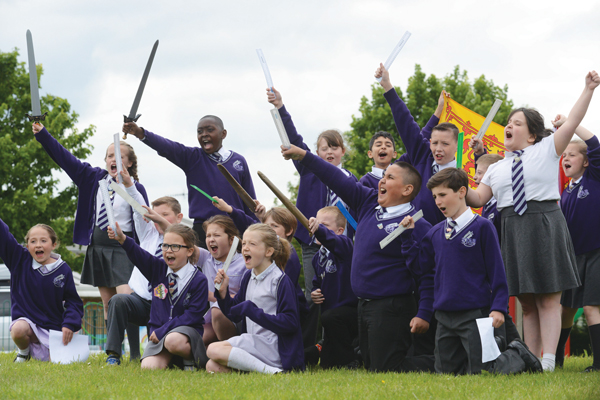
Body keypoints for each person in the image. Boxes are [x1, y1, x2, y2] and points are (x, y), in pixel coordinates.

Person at [464, 71, 600, 371]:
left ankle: (549, 360)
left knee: (549, 298)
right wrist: (458, 180)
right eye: (507, 123)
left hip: (545, 223)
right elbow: (477, 199)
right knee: (527, 302)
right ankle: (531, 358)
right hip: (512, 229)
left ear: (532, 134)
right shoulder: (497, 168)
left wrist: (588, 89)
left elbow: (574, 120)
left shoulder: (547, 149)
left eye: (516, 123)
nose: (508, 126)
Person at [281, 144, 434, 372]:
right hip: (363, 305)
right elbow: (335, 178)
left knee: (387, 368)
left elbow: (427, 276)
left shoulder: (418, 224)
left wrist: (424, 313)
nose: (382, 180)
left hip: (392, 306)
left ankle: (449, 361)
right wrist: (304, 156)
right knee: (372, 366)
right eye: (383, 176)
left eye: (390, 177)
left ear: (406, 189)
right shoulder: (368, 202)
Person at [402, 168, 541, 374]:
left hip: (476, 314)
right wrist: (407, 237)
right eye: (434, 197)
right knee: (446, 375)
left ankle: (518, 355)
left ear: (461, 192)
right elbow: (420, 269)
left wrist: (499, 307)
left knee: (483, 372)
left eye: (442, 195)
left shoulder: (483, 227)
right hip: (444, 316)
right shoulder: (434, 233)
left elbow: (497, 272)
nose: (438, 202)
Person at [33, 123, 149, 321]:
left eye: (120, 156)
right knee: (108, 303)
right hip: (99, 249)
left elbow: (145, 220)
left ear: (129, 163)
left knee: (126, 297)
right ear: (105, 161)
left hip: (124, 249)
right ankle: (113, 350)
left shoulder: (136, 189)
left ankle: (135, 352)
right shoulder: (93, 178)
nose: (114, 159)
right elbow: (65, 159)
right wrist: (44, 136)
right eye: (110, 155)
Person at [267, 88, 358, 309]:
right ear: (316, 153)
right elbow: (294, 139)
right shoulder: (310, 170)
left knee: (345, 290)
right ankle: (317, 341)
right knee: (315, 294)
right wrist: (280, 107)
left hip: (343, 243)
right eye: (323, 148)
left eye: (334, 147)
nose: (329, 152)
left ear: (343, 151)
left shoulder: (352, 179)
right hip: (313, 243)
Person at [121, 116, 256, 249]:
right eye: (200, 131)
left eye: (210, 130)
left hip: (235, 228)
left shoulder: (238, 161)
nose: (204, 135)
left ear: (223, 134)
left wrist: (255, 228)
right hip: (204, 230)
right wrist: (140, 133)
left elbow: (250, 200)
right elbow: (167, 147)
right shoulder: (193, 157)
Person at [108, 223, 209, 370]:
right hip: (159, 337)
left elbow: (192, 316)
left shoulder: (199, 279)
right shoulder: (158, 268)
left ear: (189, 251)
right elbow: (139, 255)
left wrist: (163, 330)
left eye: (175, 246)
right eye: (165, 246)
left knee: (173, 340)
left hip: (183, 337)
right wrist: (123, 239)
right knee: (148, 368)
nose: (168, 251)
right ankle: (174, 362)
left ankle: (189, 360)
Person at [206, 224, 304, 374]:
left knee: (213, 349)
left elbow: (290, 323)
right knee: (211, 366)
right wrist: (223, 293)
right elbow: (234, 313)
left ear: (269, 251)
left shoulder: (280, 280)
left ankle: (274, 373)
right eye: (244, 243)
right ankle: (262, 371)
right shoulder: (248, 276)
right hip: (254, 343)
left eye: (252, 244)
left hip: (275, 348)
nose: (245, 248)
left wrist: (253, 311)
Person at [105, 180, 184, 364]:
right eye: (154, 214)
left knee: (156, 357)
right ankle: (113, 355)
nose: (157, 218)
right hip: (141, 301)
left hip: (167, 304)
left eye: (164, 215)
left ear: (179, 217)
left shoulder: (183, 239)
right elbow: (137, 206)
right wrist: (128, 184)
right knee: (118, 300)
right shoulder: (148, 233)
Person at [375, 65, 457, 226]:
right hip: (413, 234)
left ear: (457, 146)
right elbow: (407, 124)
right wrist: (387, 86)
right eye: (434, 143)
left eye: (445, 144)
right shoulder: (423, 155)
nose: (438, 149)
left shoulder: (462, 171)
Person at [552, 114, 600, 372]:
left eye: (572, 154)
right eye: (565, 154)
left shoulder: (595, 177)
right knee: (566, 309)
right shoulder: (567, 189)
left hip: (596, 253)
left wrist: (569, 123)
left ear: (587, 161)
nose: (566, 158)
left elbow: (594, 143)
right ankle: (555, 360)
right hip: (573, 257)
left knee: (592, 307)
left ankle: (599, 364)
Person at [0, 218, 83, 362]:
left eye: (43, 241)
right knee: (18, 329)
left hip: (54, 331)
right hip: (28, 328)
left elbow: (73, 302)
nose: (38, 245)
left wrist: (69, 323)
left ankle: (46, 353)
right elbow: (3, 235)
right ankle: (24, 353)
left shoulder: (63, 269)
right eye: (33, 241)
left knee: (57, 366)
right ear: (27, 246)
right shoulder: (19, 260)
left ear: (53, 244)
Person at [360, 92, 447, 191]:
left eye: (388, 145)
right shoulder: (364, 181)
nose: (383, 147)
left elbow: (419, 140)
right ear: (370, 153)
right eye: (378, 144)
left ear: (394, 154)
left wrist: (440, 108)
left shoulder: (402, 167)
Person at [307, 206, 357, 369]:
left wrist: (320, 230)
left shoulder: (345, 246)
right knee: (327, 365)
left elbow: (334, 242)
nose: (318, 228)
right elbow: (317, 282)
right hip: (331, 318)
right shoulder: (317, 258)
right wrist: (315, 292)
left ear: (340, 230)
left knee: (331, 318)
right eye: (316, 223)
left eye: (325, 225)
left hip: (350, 312)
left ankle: (352, 361)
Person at [199, 215, 246, 345]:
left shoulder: (245, 262)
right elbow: (180, 243)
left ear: (231, 240)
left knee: (217, 309)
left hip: (239, 320)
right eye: (208, 236)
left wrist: (212, 296)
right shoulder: (205, 258)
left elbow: (245, 297)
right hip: (213, 320)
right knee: (193, 339)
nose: (211, 239)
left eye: (217, 235)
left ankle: (231, 353)